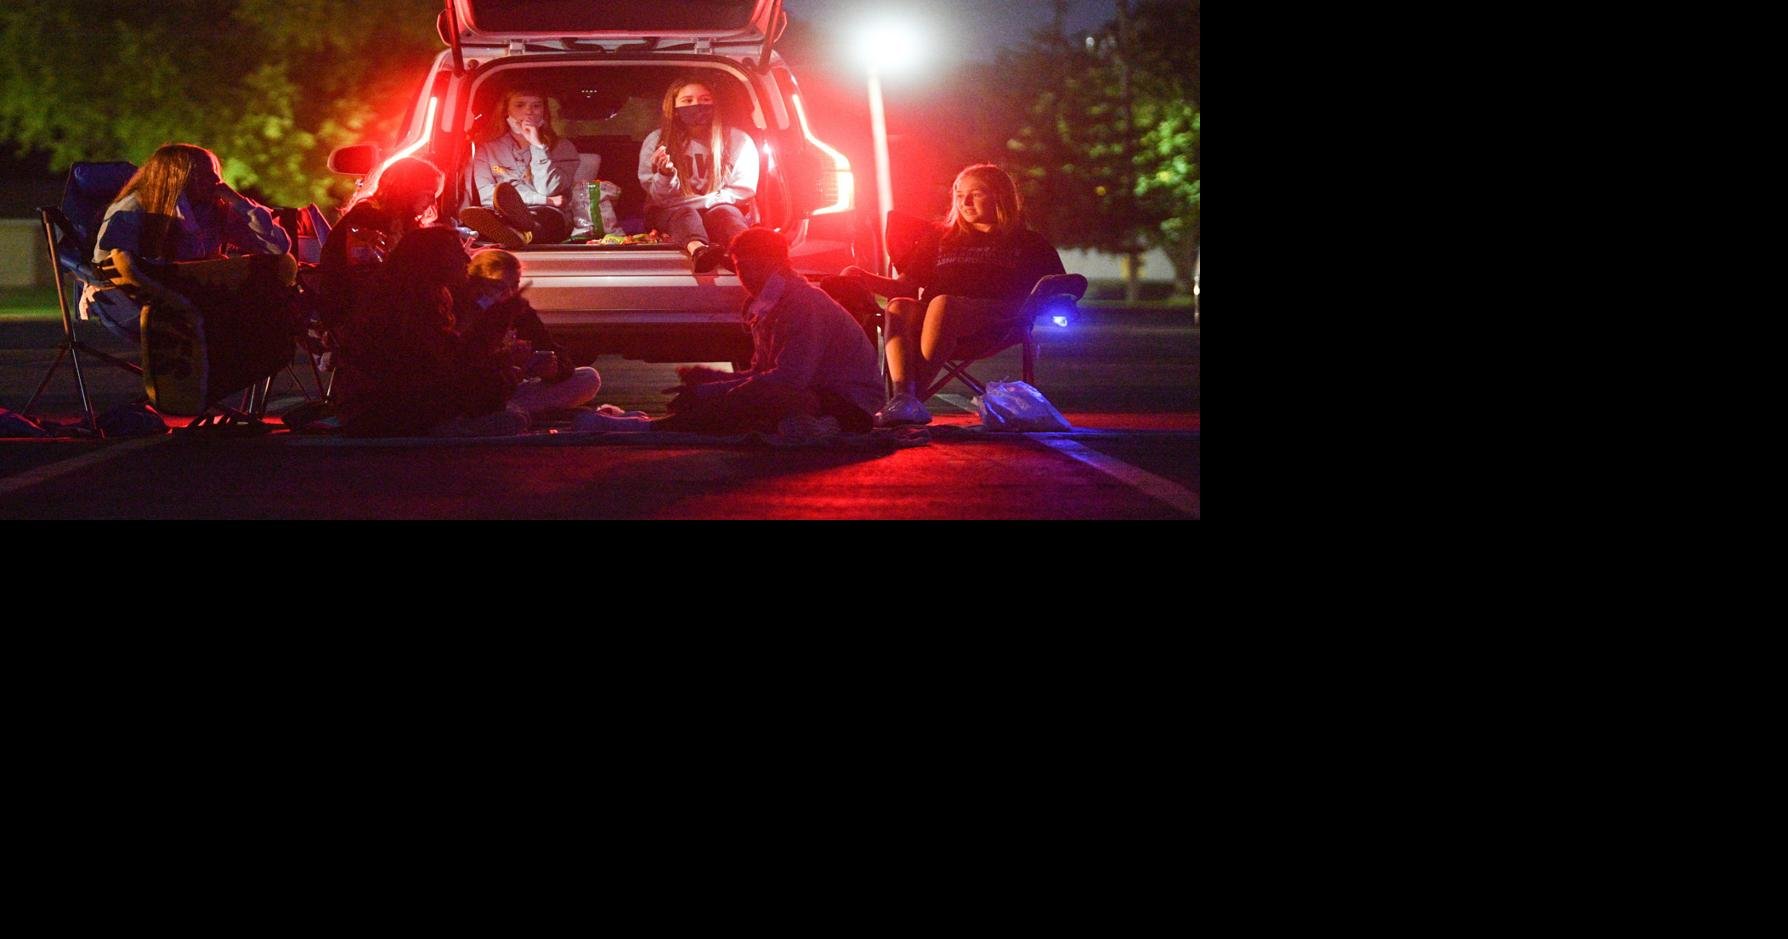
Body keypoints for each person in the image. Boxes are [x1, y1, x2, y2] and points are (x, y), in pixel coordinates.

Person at [574, 227, 880, 435]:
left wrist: (717, 391)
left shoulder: (803, 304)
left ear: (774, 264)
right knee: (743, 397)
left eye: (748, 267)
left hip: (851, 404)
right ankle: (648, 424)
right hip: (815, 392)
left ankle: (649, 428)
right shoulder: (766, 303)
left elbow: (789, 379)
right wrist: (712, 379)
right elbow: (763, 371)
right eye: (739, 267)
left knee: (754, 400)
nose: (742, 276)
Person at [841, 163, 1065, 427]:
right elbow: (903, 286)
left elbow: (1057, 286)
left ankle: (912, 398)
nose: (965, 202)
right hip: (935, 320)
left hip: (999, 321)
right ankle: (903, 397)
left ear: (1000, 197)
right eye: (959, 195)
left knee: (944, 302)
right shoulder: (940, 237)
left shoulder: (1028, 242)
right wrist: (860, 276)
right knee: (901, 305)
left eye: (976, 194)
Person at [82, 142, 293, 341]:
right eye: (205, 173)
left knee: (278, 273)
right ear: (179, 177)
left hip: (202, 298)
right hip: (148, 301)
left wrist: (237, 200)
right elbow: (109, 264)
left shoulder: (216, 209)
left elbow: (277, 248)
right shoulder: (135, 208)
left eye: (215, 172)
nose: (215, 180)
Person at [331, 226, 525, 437]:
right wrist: (502, 352)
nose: (466, 259)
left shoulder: (426, 296)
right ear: (432, 259)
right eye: (456, 252)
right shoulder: (408, 305)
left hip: (400, 406)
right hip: (388, 414)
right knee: (511, 420)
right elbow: (446, 369)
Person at [459, 248, 603, 417]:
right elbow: (467, 367)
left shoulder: (520, 310)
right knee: (508, 417)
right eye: (498, 287)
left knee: (587, 378)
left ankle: (514, 411)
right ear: (478, 284)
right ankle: (511, 414)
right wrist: (509, 360)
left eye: (514, 285)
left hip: (514, 389)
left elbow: (554, 351)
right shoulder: (468, 313)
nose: (509, 293)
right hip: (482, 392)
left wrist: (553, 369)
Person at [637, 76, 759, 273]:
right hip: (669, 212)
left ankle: (744, 255)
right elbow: (659, 198)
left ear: (715, 104)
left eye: (705, 99)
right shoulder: (656, 141)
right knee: (686, 215)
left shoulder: (738, 140)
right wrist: (665, 174)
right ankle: (700, 252)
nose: (697, 105)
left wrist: (704, 202)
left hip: (717, 207)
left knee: (726, 214)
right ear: (674, 109)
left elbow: (743, 190)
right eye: (687, 101)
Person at [317, 156, 444, 327]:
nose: (432, 202)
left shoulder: (401, 222)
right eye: (429, 193)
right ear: (409, 188)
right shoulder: (367, 218)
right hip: (356, 319)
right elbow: (367, 278)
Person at [463, 86, 582, 247]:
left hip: (548, 214)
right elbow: (487, 195)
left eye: (536, 106)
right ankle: (516, 232)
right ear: (507, 111)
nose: (529, 112)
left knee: (543, 218)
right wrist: (547, 200)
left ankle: (519, 233)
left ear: (544, 112)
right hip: (505, 212)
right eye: (520, 105)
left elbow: (548, 189)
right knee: (491, 214)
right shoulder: (487, 149)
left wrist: (537, 146)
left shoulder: (563, 148)